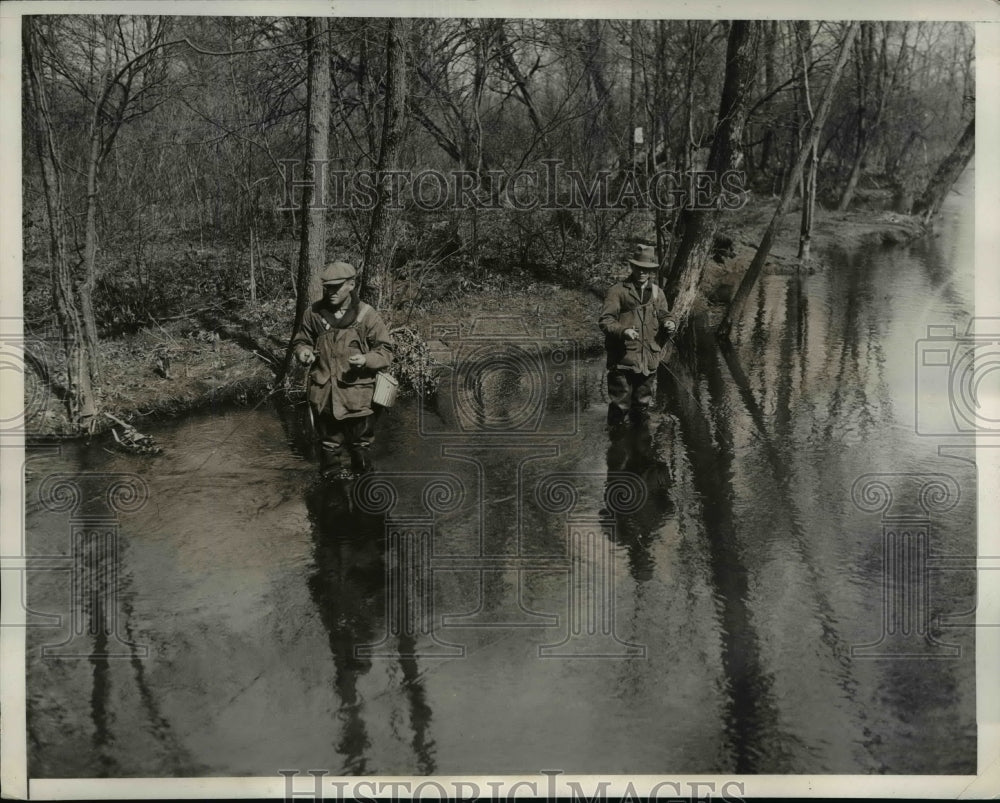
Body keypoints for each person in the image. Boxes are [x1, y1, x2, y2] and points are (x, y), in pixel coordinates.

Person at [293, 260, 393, 480]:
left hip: (359, 399)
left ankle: (364, 493)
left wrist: (366, 359)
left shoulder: (366, 315)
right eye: (327, 287)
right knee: (329, 447)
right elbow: (302, 341)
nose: (330, 292)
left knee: (360, 446)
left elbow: (385, 351)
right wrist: (303, 352)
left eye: (336, 287)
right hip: (325, 397)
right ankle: (332, 497)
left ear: (351, 285)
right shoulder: (313, 314)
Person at [598, 244, 676, 428]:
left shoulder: (658, 293)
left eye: (646, 269)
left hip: (649, 359)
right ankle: (616, 446)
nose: (642, 272)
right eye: (639, 268)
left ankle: (639, 447)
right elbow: (606, 320)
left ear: (652, 271)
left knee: (641, 406)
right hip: (622, 358)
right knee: (619, 406)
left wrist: (671, 323)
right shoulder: (617, 291)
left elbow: (666, 314)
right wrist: (623, 331)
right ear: (632, 267)